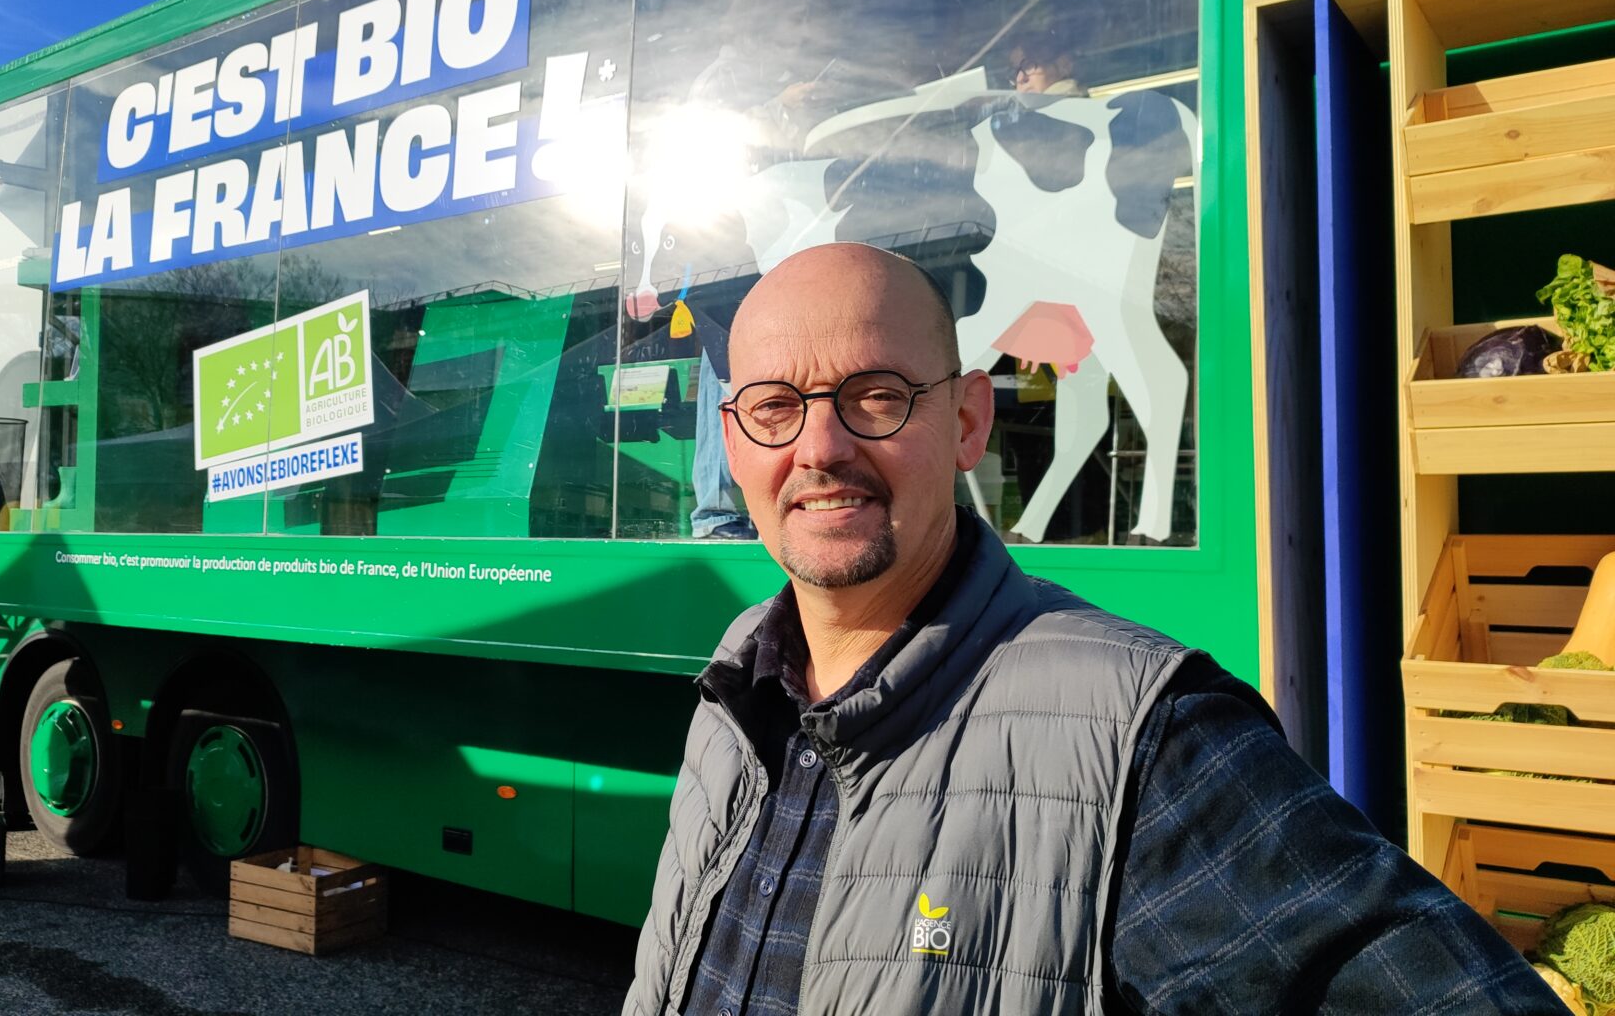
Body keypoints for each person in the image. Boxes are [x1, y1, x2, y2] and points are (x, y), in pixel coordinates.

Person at [622, 243, 1566, 1015]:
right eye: (777, 408)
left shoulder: (1152, 738)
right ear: (736, 443)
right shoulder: (732, 700)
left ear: (967, 421)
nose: (820, 449)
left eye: (876, 395)